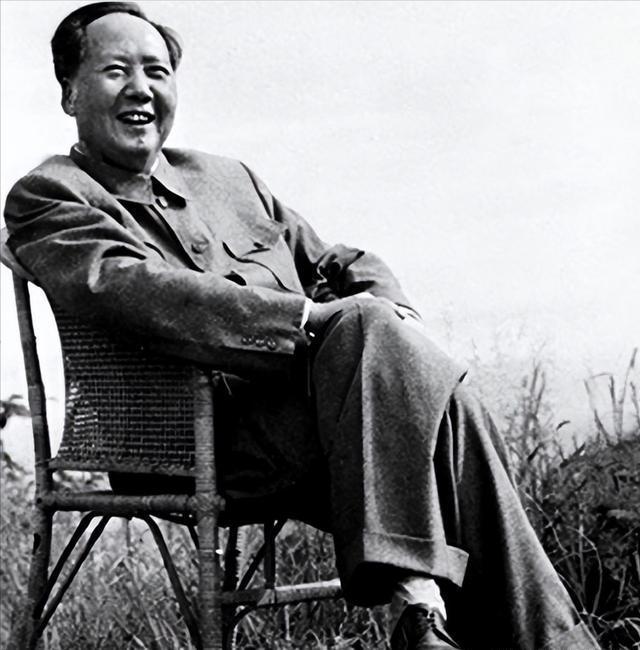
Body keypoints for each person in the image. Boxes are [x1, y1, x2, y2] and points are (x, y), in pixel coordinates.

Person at [3, 3, 599, 649]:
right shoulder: (51, 194)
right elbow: (128, 290)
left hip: (322, 421)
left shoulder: (227, 179)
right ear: (70, 92)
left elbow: (337, 262)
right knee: (426, 389)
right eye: (116, 71)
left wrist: (394, 319)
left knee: (425, 383)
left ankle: (423, 615)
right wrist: (307, 321)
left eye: (157, 71)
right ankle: (484, 620)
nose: (141, 88)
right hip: (190, 442)